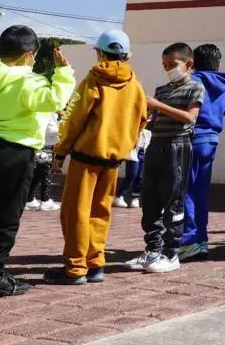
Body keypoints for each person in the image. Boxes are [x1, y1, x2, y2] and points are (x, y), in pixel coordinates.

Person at [45, 29, 147, 285]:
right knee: (100, 213)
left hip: (86, 158)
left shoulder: (93, 79)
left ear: (99, 52)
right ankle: (96, 263)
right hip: (113, 161)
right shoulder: (135, 84)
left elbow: (73, 118)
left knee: (75, 213)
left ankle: (75, 267)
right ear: (127, 55)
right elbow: (141, 120)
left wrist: (60, 152)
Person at [0, 26, 76, 298]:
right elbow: (55, 100)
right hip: (15, 153)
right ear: (30, 55)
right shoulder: (31, 81)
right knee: (5, 214)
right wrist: (64, 73)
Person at [126, 42, 204, 275]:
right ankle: (153, 249)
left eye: (172, 64)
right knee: (150, 199)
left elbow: (190, 118)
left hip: (177, 147)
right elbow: (152, 117)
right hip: (156, 146)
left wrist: (157, 104)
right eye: (164, 65)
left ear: (188, 64)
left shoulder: (195, 87)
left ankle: (172, 253)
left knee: (173, 201)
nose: (168, 68)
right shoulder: (162, 89)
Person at [180, 44, 225, 261]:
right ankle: (201, 240)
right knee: (201, 192)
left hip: (193, 138)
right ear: (218, 64)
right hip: (211, 139)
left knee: (186, 192)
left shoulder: (193, 82)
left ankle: (189, 241)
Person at [25, 111, 62, 212]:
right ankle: (45, 200)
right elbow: (50, 130)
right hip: (45, 145)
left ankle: (30, 198)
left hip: (47, 145)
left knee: (39, 173)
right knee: (46, 172)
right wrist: (62, 128)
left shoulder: (51, 113)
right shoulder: (47, 112)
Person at [115, 127, 150, 209]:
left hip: (144, 148)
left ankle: (135, 197)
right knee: (131, 174)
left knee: (140, 176)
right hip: (134, 149)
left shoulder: (153, 118)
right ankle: (119, 195)